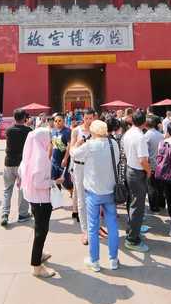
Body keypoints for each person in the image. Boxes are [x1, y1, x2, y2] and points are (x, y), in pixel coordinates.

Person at [71, 120, 120, 271]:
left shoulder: (90, 145)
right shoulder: (114, 144)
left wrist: (76, 145)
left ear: (93, 132)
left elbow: (74, 155)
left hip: (93, 191)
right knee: (112, 224)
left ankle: (94, 260)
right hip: (110, 189)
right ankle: (113, 259)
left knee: (93, 225)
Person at [18, 127, 56, 278]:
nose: (50, 139)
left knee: (39, 229)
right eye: (48, 136)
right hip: (41, 199)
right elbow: (39, 182)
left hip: (33, 198)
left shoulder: (30, 153)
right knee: (41, 231)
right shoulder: (40, 156)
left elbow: (22, 172)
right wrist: (53, 181)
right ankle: (36, 266)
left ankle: (39, 254)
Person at [122, 110, 151, 252]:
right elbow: (142, 159)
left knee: (132, 203)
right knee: (137, 206)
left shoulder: (128, 134)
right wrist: (149, 171)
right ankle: (132, 239)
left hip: (129, 169)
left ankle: (131, 231)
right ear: (144, 122)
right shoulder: (141, 137)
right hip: (137, 171)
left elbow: (126, 153)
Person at [1, 109, 32, 225]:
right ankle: (23, 213)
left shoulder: (8, 129)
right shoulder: (28, 130)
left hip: (9, 161)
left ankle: (4, 213)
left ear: (14, 117)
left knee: (7, 189)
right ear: (24, 117)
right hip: (22, 162)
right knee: (23, 188)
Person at [70, 108, 96, 244]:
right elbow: (71, 151)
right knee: (81, 197)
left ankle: (95, 226)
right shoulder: (76, 130)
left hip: (92, 166)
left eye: (91, 118)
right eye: (86, 118)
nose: (89, 121)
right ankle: (85, 230)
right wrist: (78, 144)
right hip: (79, 166)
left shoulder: (96, 130)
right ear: (83, 117)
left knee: (94, 196)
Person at [49, 113, 73, 203]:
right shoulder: (54, 132)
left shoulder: (67, 131)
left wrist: (65, 159)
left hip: (64, 162)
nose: (57, 122)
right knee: (54, 181)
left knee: (66, 182)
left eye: (59, 120)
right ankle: (57, 201)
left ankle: (72, 193)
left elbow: (69, 146)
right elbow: (51, 145)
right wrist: (48, 158)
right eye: (56, 121)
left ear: (64, 121)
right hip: (54, 162)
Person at [144, 115, 165, 215]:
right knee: (160, 186)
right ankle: (161, 204)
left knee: (151, 187)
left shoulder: (146, 136)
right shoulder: (160, 135)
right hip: (160, 164)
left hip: (151, 164)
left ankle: (154, 207)